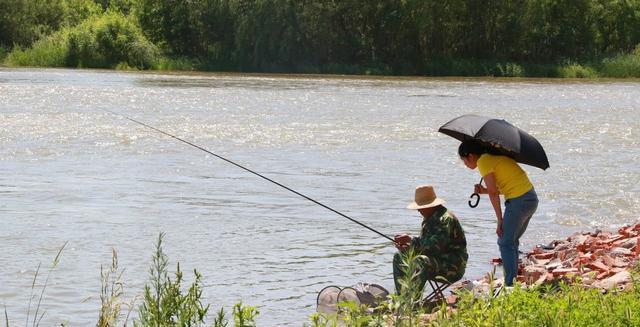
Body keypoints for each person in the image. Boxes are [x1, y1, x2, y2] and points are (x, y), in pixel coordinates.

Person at [458, 140, 539, 286]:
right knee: (511, 241)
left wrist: (499, 220)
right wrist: (483, 191)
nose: (464, 164)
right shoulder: (493, 158)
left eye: (463, 160)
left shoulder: (483, 161)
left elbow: (494, 193)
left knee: (504, 241)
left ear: (470, 156)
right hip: (530, 198)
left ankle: (509, 285)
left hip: (519, 201)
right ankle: (512, 281)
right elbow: (507, 186)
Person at [393, 185, 468, 295]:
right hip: (435, 261)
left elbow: (434, 247)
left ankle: (413, 301)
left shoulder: (446, 219)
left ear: (430, 206)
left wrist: (411, 241)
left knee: (420, 261)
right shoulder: (429, 219)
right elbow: (425, 246)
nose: (418, 210)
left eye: (421, 207)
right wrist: (408, 248)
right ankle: (403, 298)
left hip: (452, 266)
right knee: (399, 256)